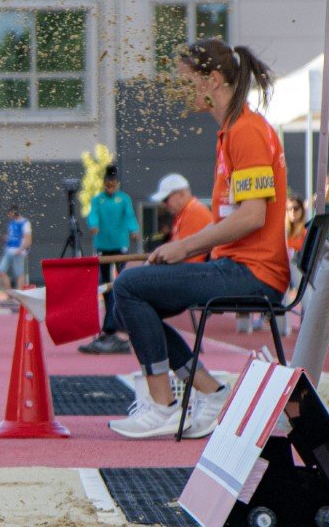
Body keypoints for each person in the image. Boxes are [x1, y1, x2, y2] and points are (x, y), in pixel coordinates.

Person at [107, 39, 290, 439]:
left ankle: (163, 405)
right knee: (124, 303)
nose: (181, 91)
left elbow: (253, 215)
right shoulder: (233, 130)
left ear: (213, 79)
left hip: (251, 273)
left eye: (188, 82)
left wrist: (184, 247)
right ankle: (211, 393)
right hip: (236, 266)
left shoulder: (246, 131)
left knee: (128, 286)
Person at [78, 165, 139, 355]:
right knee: (105, 285)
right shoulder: (98, 200)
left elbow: (129, 215)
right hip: (103, 244)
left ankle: (117, 323)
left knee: (120, 282)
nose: (110, 188)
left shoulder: (124, 199)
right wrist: (94, 224)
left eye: (113, 185)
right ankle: (110, 318)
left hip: (119, 243)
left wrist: (133, 229)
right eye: (107, 185)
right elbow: (93, 215)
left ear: (117, 183)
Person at [149, 174, 213, 264]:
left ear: (181, 194)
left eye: (165, 199)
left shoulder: (194, 212)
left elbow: (190, 260)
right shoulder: (185, 213)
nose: (164, 204)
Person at [0, 204, 32, 291]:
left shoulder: (25, 223)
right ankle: (10, 293)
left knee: (19, 273)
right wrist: (7, 239)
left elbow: (28, 239)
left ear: (14, 212)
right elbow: (11, 235)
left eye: (10, 213)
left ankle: (19, 293)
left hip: (18, 251)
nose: (9, 215)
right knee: (1, 270)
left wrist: (20, 250)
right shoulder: (11, 223)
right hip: (9, 249)